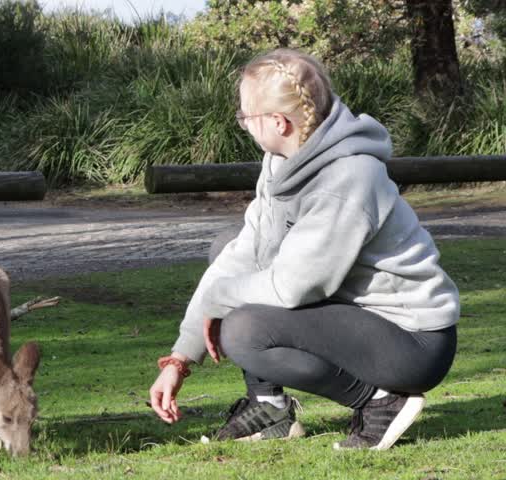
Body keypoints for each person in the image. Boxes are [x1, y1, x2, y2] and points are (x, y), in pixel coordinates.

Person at [148, 48, 460, 450]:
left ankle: (381, 401)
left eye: (245, 116)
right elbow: (244, 252)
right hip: (354, 319)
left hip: (411, 341)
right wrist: (180, 358)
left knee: (242, 329)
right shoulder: (280, 161)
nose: (242, 123)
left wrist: (217, 304)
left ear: (278, 122)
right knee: (227, 247)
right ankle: (270, 408)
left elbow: (294, 288)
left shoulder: (347, 177)